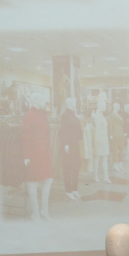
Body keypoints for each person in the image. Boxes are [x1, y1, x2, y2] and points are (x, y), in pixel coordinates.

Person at [23, 92, 53, 220]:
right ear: (36, 101)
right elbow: (26, 136)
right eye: (42, 99)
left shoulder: (43, 114)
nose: (44, 102)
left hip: (45, 153)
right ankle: (35, 213)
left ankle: (44, 211)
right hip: (35, 154)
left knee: (49, 179)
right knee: (33, 182)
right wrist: (27, 155)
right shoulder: (29, 115)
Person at [59, 97, 82, 200]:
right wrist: (66, 144)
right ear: (70, 103)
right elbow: (63, 130)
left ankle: (75, 189)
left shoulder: (73, 114)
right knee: (68, 167)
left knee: (76, 166)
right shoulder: (65, 115)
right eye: (74, 102)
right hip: (69, 145)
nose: (76, 103)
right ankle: (68, 190)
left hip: (75, 144)